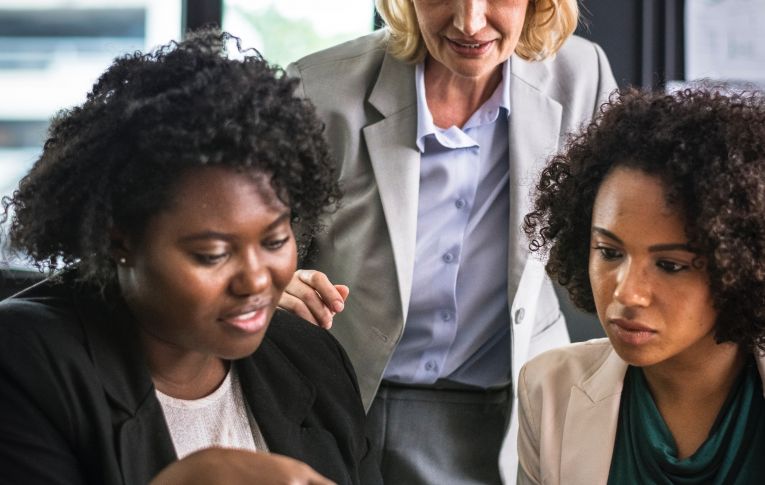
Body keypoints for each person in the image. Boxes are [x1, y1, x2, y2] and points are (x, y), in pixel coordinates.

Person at [0, 30, 381, 485]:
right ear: (119, 239)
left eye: (275, 241)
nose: (256, 281)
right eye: (213, 254)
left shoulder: (312, 359)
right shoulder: (24, 359)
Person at [279, 0, 617, 483]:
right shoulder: (319, 89)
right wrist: (277, 285)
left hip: (508, 408)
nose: (469, 22)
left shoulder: (581, 75)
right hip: (341, 397)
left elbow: (626, 233)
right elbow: (258, 253)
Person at [518, 87, 765, 484]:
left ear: (741, 264)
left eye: (670, 265)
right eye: (609, 252)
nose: (626, 293)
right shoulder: (548, 391)